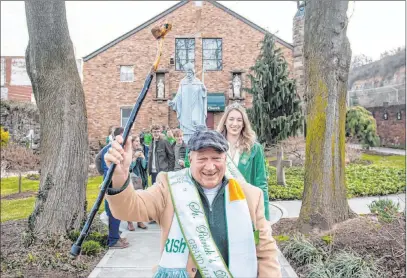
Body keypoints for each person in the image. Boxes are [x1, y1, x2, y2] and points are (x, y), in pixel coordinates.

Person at [104, 127, 281, 277]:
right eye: (202, 159)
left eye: (216, 159)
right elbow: (130, 209)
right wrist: (120, 176)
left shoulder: (250, 196)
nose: (210, 167)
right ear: (190, 159)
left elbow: (265, 253)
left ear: (225, 160)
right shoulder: (169, 188)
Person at [217, 102, 270, 221]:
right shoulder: (216, 147)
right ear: (225, 121)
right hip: (220, 206)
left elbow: (261, 183)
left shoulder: (254, 149)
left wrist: (264, 217)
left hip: (245, 205)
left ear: (244, 124)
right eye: (231, 119)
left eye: (239, 120)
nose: (235, 124)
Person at [100, 127, 129, 249]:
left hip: (114, 184)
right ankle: (113, 240)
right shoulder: (111, 150)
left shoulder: (113, 149)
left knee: (116, 213)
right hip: (112, 186)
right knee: (114, 213)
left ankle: (116, 236)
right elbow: (103, 164)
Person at [128, 136, 148, 230]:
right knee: (130, 202)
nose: (138, 143)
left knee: (140, 202)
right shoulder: (128, 153)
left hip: (140, 180)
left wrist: (143, 158)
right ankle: (130, 222)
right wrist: (134, 158)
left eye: (139, 141)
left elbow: (144, 167)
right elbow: (129, 168)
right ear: (131, 142)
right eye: (136, 141)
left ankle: (139, 221)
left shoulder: (140, 151)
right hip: (131, 180)